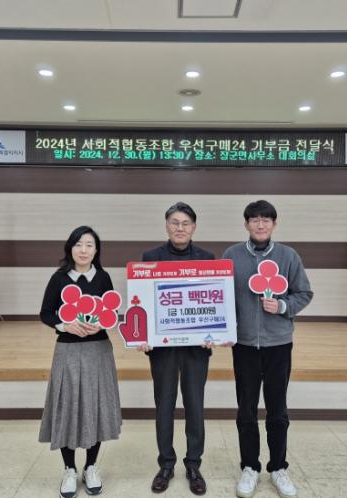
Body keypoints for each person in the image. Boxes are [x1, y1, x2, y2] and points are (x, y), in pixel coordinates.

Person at [222, 200, 313, 498]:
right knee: (246, 410)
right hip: (244, 345)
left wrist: (283, 306)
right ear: (246, 224)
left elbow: (304, 292)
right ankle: (250, 466)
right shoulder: (232, 256)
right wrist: (223, 329)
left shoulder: (288, 256)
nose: (260, 225)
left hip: (279, 345)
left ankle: (278, 467)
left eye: (266, 220)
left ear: (274, 224)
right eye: (254, 219)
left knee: (277, 409)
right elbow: (220, 297)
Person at [138, 202, 214, 495]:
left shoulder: (207, 259)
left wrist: (214, 332)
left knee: (195, 406)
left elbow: (214, 301)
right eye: (174, 222)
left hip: (197, 347)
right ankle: (166, 465)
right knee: (164, 406)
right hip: (163, 348)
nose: (180, 228)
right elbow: (143, 300)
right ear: (166, 225)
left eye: (185, 223)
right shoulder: (151, 258)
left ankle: (193, 464)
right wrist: (143, 334)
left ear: (194, 227)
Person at [39, 226, 122, 498]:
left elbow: (111, 312)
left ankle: (91, 467)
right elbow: (46, 313)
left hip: (98, 351)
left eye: (89, 245)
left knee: (95, 407)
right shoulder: (60, 278)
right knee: (67, 407)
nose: (83, 250)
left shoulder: (103, 277)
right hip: (68, 351)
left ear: (96, 250)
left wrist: (100, 324)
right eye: (78, 244)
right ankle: (69, 470)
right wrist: (65, 325)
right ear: (70, 248)